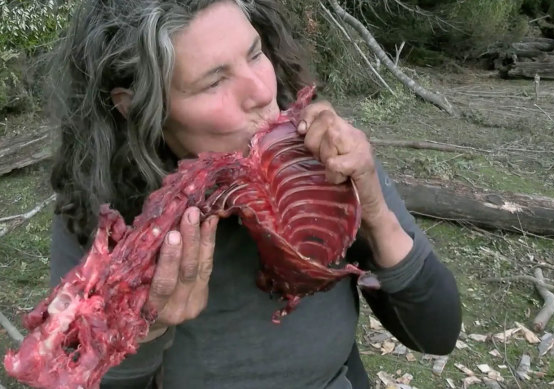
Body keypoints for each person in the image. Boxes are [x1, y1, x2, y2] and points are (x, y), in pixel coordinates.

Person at [47, 0, 462, 388]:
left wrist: (375, 213)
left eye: (255, 54)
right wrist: (143, 332)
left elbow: (437, 336)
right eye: (214, 81)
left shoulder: (320, 160)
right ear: (135, 105)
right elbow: (81, 372)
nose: (263, 92)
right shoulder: (100, 214)